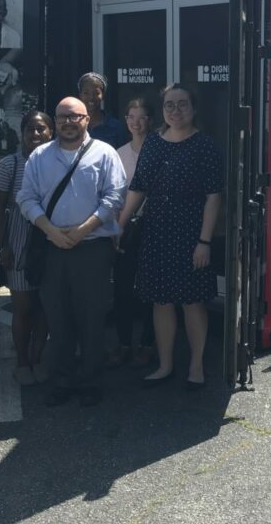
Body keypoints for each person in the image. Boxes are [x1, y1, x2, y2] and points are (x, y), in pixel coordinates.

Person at [16, 96, 126, 407]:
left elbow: (115, 197)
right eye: (62, 116)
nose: (67, 122)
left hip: (93, 249)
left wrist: (83, 230)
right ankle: (61, 382)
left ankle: (91, 382)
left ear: (86, 119)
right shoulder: (39, 156)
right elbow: (26, 198)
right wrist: (50, 230)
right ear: (55, 120)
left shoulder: (104, 154)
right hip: (52, 249)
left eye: (74, 116)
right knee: (57, 318)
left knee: (92, 319)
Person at [117, 84, 222, 390]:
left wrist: (204, 242)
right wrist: (120, 225)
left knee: (193, 302)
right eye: (169, 106)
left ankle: (197, 366)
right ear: (162, 110)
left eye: (182, 104)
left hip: (191, 235)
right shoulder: (152, 144)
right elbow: (138, 189)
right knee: (160, 302)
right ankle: (164, 365)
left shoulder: (205, 146)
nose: (176, 111)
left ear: (194, 108)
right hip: (157, 233)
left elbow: (214, 198)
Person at [0, 110, 54, 386]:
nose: (36, 134)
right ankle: (22, 361)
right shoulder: (10, 165)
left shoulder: (58, 162)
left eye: (42, 129)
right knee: (23, 306)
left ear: (51, 132)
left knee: (45, 306)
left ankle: (38, 356)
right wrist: (2, 244)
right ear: (22, 133)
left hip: (50, 240)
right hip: (19, 239)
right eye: (31, 129)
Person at [106, 98, 156, 368]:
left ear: (151, 120)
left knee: (150, 289)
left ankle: (148, 344)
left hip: (153, 225)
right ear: (126, 120)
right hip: (126, 225)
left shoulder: (160, 149)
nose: (137, 122)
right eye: (131, 116)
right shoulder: (118, 153)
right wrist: (115, 228)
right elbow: (114, 195)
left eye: (143, 116)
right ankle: (124, 343)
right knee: (123, 288)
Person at [78, 71, 129, 149]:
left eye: (96, 93)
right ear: (80, 95)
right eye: (86, 93)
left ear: (103, 95)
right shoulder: (73, 125)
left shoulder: (117, 128)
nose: (91, 97)